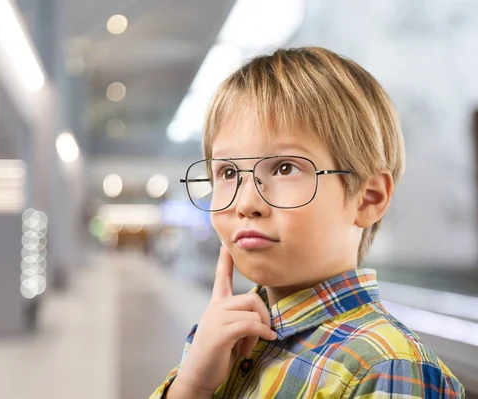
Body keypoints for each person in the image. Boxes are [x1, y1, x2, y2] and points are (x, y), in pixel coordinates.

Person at [150, 47, 465, 398]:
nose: (246, 202)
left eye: (285, 168)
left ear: (369, 197)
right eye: (227, 172)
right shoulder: (216, 336)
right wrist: (192, 385)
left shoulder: (388, 369)